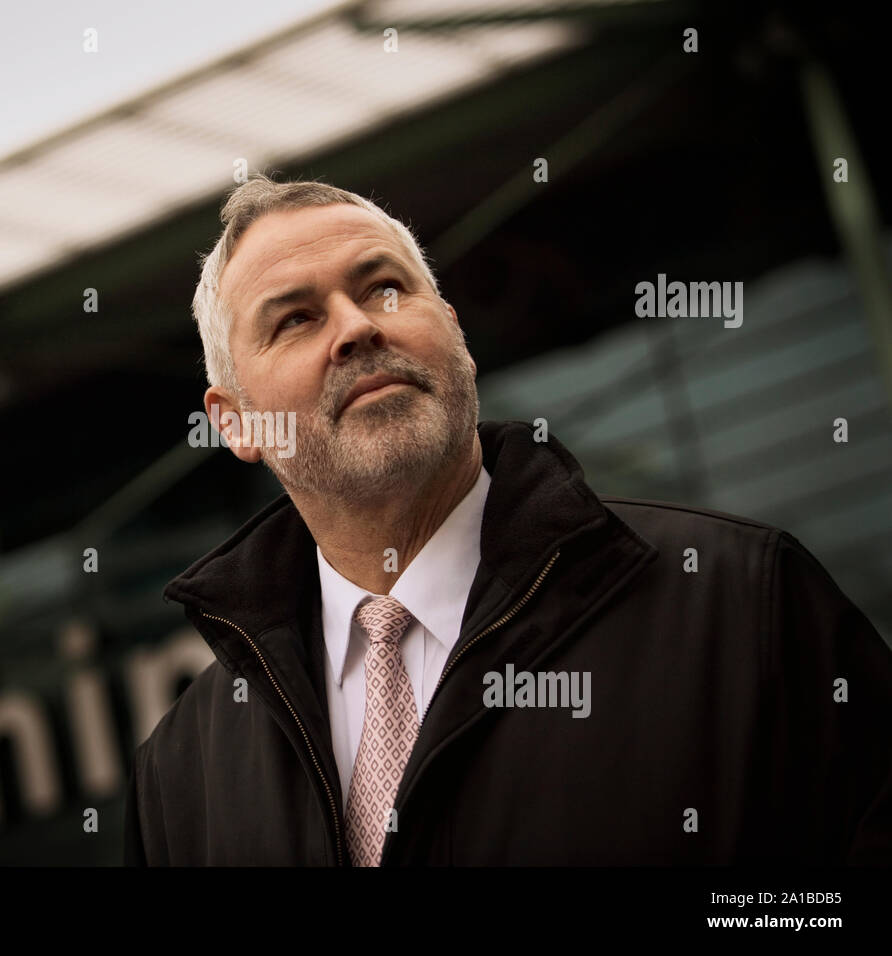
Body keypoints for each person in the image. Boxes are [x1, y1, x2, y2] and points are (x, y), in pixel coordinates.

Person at [123, 174, 892, 865]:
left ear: (455, 335)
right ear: (237, 425)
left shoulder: (739, 600)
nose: (357, 327)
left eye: (385, 288)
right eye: (293, 319)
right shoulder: (181, 778)